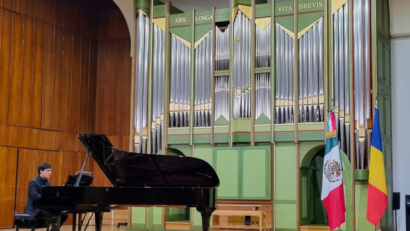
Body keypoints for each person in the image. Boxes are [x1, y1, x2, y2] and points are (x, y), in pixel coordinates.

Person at [24, 163, 68, 230]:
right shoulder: (33, 182)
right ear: (41, 171)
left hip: (43, 208)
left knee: (64, 215)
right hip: (35, 209)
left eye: (50, 171)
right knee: (56, 215)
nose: (50, 173)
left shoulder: (47, 183)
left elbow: (48, 195)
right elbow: (35, 196)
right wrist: (47, 199)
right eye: (48, 171)